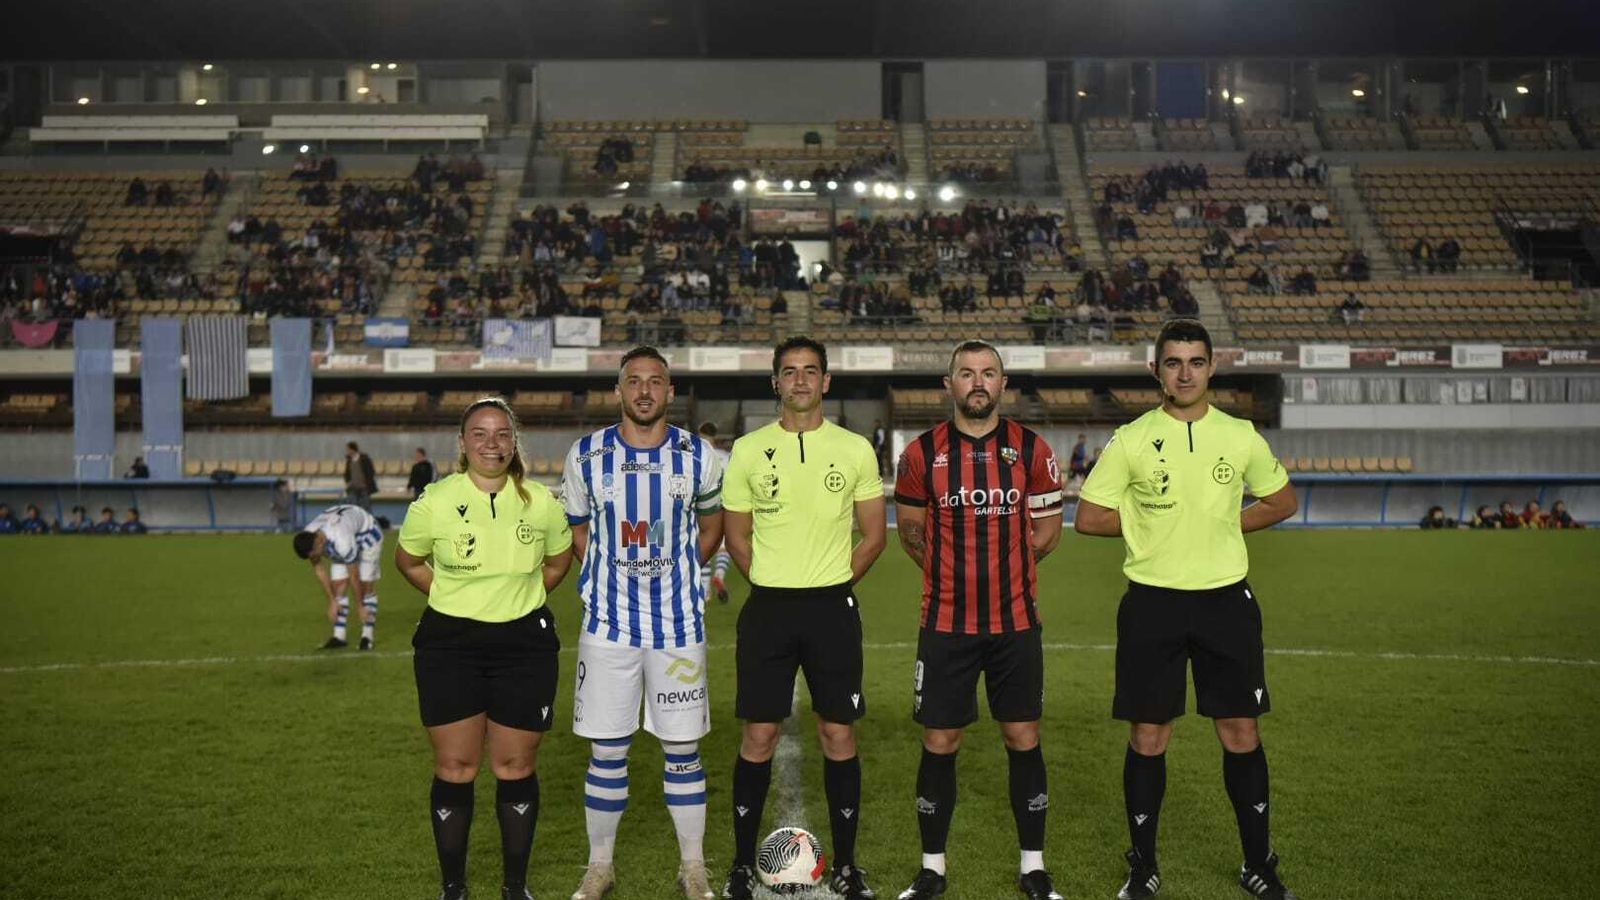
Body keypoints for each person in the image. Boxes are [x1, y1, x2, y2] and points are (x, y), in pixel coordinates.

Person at [1074, 319, 1301, 900]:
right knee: (1149, 736)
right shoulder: (1130, 438)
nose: (1184, 372)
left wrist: (1229, 522)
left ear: (1211, 368)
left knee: (1241, 731)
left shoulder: (1241, 435)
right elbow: (1091, 517)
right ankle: (1143, 866)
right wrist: (1153, 524)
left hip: (1227, 601)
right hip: (1153, 604)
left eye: (1195, 362)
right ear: (1156, 370)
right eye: (1172, 362)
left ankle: (1259, 863)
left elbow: (1281, 500)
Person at [892, 341, 1066, 900]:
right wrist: (955, 572)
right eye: (966, 373)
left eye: (988, 373)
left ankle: (1033, 866)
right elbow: (911, 534)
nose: (977, 382)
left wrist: (1002, 568)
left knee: (1023, 735)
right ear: (949, 385)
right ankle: (932, 868)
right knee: (941, 740)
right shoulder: (921, 454)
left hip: (1015, 622)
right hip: (945, 624)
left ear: (1003, 383)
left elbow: (1046, 534)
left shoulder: (1034, 450)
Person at [720, 336, 887, 900]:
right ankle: (742, 864)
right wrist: (771, 580)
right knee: (760, 734)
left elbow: (873, 534)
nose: (799, 381)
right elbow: (737, 539)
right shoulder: (746, 451)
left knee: (838, 732)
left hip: (831, 609)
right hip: (767, 608)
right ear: (775, 382)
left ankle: (847, 864)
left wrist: (832, 581)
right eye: (789, 372)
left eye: (810, 371)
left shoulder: (855, 449)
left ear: (826, 381)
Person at [560, 348, 727, 900]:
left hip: (678, 626)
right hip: (608, 626)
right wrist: (614, 576)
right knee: (607, 751)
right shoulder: (585, 456)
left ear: (671, 391)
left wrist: (670, 576)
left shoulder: (699, 456)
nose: (645, 390)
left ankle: (693, 866)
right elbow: (578, 532)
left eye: (656, 381)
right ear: (619, 391)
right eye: (635, 381)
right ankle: (600, 866)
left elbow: (710, 530)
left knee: (683, 752)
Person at [394, 397, 574, 900]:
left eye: (501, 434)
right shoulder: (433, 501)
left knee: (515, 767)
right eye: (480, 433)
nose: (491, 444)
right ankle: (454, 887)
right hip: (450, 645)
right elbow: (408, 561)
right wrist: (453, 596)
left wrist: (519, 598)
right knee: (456, 768)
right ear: (462, 443)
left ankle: (515, 887)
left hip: (524, 646)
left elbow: (559, 563)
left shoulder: (541, 502)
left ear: (514, 442)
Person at [293, 503, 386, 650]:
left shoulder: (341, 540)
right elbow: (319, 570)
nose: (315, 558)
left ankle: (367, 636)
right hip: (342, 537)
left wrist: (360, 606)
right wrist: (332, 601)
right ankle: (339, 636)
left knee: (366, 586)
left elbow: (354, 575)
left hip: (368, 537)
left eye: (315, 554)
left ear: (319, 542)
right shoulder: (309, 536)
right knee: (338, 587)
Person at [697, 421, 735, 605]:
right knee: (722, 547)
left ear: (699, 433)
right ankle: (719, 574)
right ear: (715, 436)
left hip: (700, 506)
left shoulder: (696, 454)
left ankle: (704, 591)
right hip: (723, 506)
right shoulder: (725, 457)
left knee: (703, 544)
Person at [344, 441, 377, 509]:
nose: (347, 451)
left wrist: (367, 482)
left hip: (364, 487)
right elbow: (347, 474)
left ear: (353, 449)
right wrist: (348, 482)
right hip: (353, 488)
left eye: (348, 449)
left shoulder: (364, 459)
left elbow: (371, 471)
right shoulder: (349, 460)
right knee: (353, 508)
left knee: (366, 507)